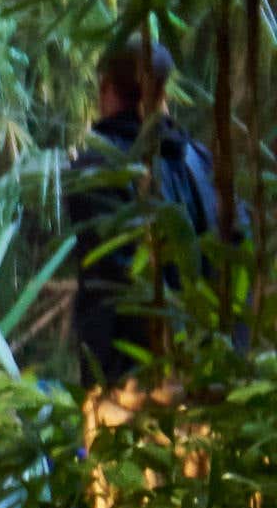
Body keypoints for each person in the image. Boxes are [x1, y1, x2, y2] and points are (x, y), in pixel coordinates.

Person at [57, 37, 230, 395]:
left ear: (106, 88)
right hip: (204, 373)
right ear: (163, 92)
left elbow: (113, 278)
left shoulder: (95, 168)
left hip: (128, 385)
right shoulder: (200, 161)